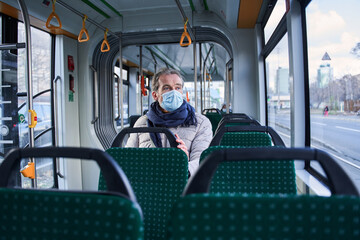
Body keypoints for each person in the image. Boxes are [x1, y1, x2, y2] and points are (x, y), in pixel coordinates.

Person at [125, 68, 213, 176]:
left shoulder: (200, 123)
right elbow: (128, 158)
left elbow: (202, 160)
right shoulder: (142, 123)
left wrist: (184, 163)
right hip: (147, 181)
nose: (174, 92)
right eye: (167, 88)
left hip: (185, 184)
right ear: (155, 95)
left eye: (177, 87)